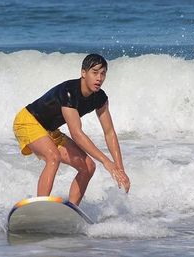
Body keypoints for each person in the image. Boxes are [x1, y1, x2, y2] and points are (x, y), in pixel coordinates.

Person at [13, 54, 130, 206]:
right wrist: (106, 162)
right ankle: (39, 207)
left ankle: (71, 210)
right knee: (53, 157)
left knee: (88, 167)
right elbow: (76, 133)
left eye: (103, 74)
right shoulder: (69, 92)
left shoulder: (100, 98)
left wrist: (120, 170)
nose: (99, 78)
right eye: (94, 72)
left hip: (50, 130)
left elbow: (109, 133)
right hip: (28, 121)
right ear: (83, 73)